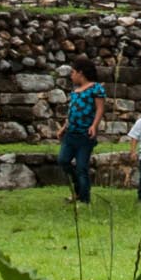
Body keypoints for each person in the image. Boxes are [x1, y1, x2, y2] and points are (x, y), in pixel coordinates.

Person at [58, 56, 103, 204]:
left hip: (84, 134)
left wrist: (94, 126)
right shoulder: (76, 91)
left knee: (82, 166)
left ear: (81, 73)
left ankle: (84, 198)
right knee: (63, 160)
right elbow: (72, 112)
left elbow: (99, 109)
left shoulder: (96, 88)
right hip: (71, 133)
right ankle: (78, 187)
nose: (71, 75)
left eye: (73, 72)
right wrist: (64, 127)